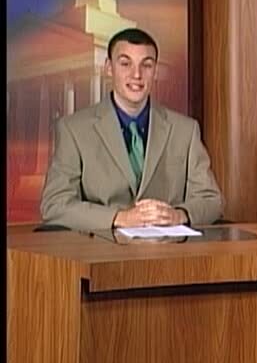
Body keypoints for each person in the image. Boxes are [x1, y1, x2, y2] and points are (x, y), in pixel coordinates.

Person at [40, 28, 224, 231]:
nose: (136, 75)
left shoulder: (186, 130)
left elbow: (212, 200)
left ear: (155, 71)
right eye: (125, 64)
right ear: (109, 68)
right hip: (101, 247)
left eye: (146, 65)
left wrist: (178, 215)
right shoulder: (73, 129)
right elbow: (55, 205)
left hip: (169, 247)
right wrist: (119, 218)